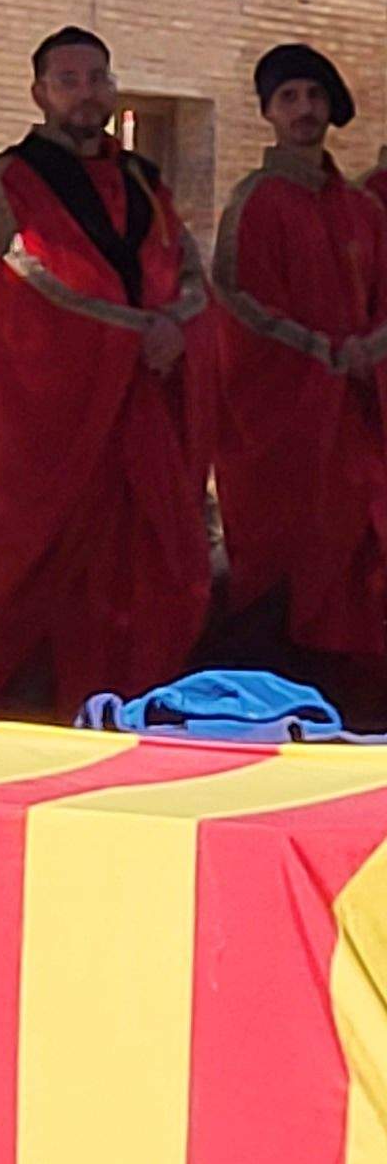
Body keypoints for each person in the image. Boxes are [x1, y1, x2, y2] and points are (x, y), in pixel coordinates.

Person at [0, 25, 210, 709]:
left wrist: (176, 326)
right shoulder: (14, 176)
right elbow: (32, 275)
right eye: (69, 80)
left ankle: (146, 702)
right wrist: (139, 331)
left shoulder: (144, 179)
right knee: (53, 568)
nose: (86, 93)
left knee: (164, 558)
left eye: (96, 78)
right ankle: (34, 707)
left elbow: (190, 270)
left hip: (145, 403)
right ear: (40, 93)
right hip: (62, 410)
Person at [206, 43, 387, 686]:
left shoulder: (365, 211)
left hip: (359, 417)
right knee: (291, 552)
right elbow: (235, 301)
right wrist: (323, 352)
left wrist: (374, 347)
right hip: (285, 424)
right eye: (289, 98)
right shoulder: (254, 203)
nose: (304, 109)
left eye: (313, 96)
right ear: (269, 114)